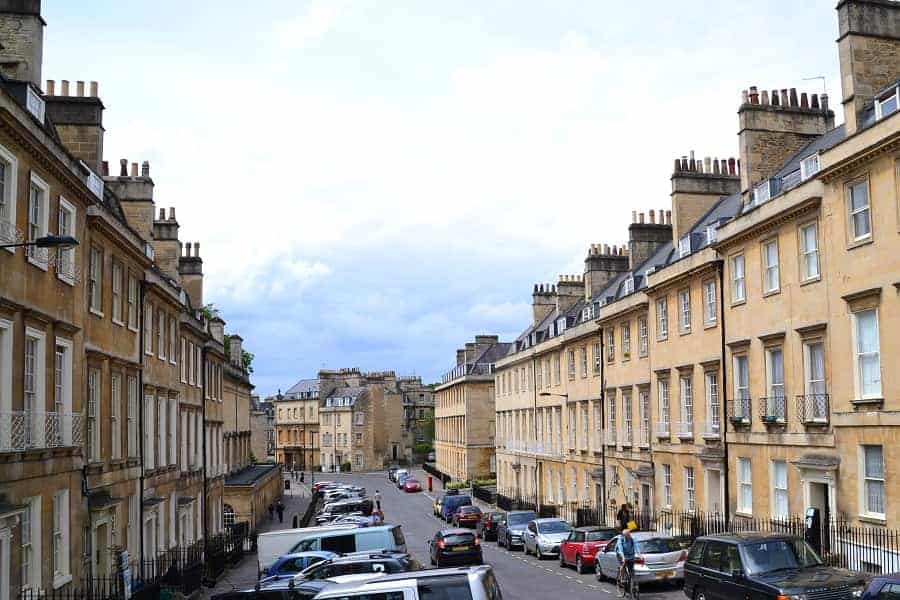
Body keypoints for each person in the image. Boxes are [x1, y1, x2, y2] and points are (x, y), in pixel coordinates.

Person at [616, 529, 638, 593]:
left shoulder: (632, 539)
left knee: (631, 569)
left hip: (630, 555)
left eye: (628, 535)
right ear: (624, 535)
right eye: (626, 535)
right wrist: (623, 557)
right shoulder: (620, 539)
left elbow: (636, 547)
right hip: (620, 554)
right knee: (623, 565)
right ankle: (622, 579)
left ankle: (633, 583)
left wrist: (640, 555)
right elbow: (620, 549)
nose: (628, 536)